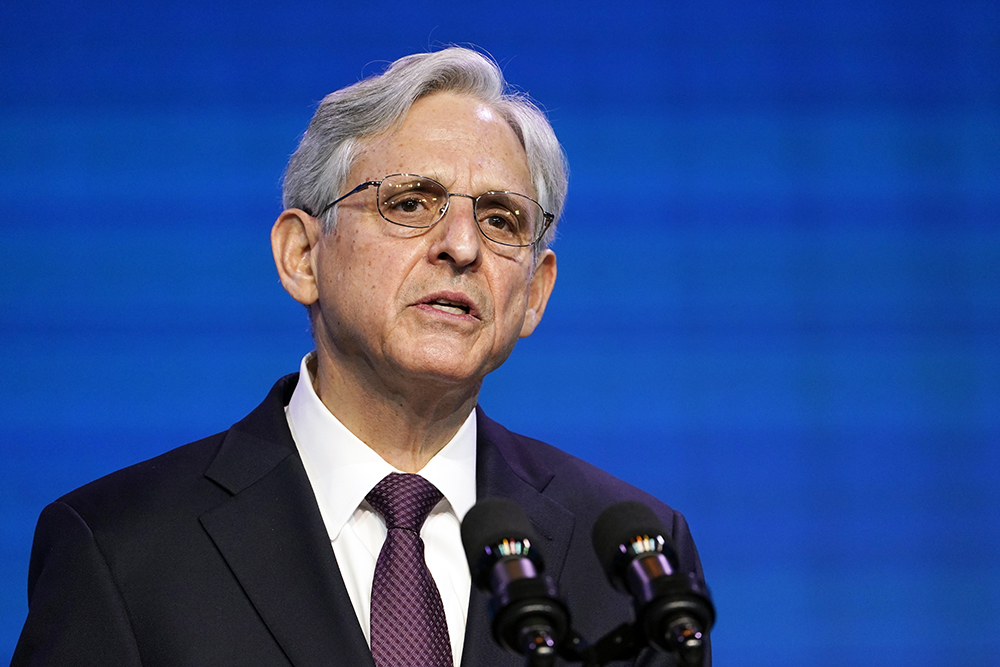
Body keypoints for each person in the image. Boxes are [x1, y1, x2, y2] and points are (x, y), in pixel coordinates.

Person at [11, 47, 710, 667]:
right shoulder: (121, 548)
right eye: (411, 202)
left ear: (535, 292)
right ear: (302, 255)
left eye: (500, 220)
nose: (461, 247)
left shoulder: (634, 559)